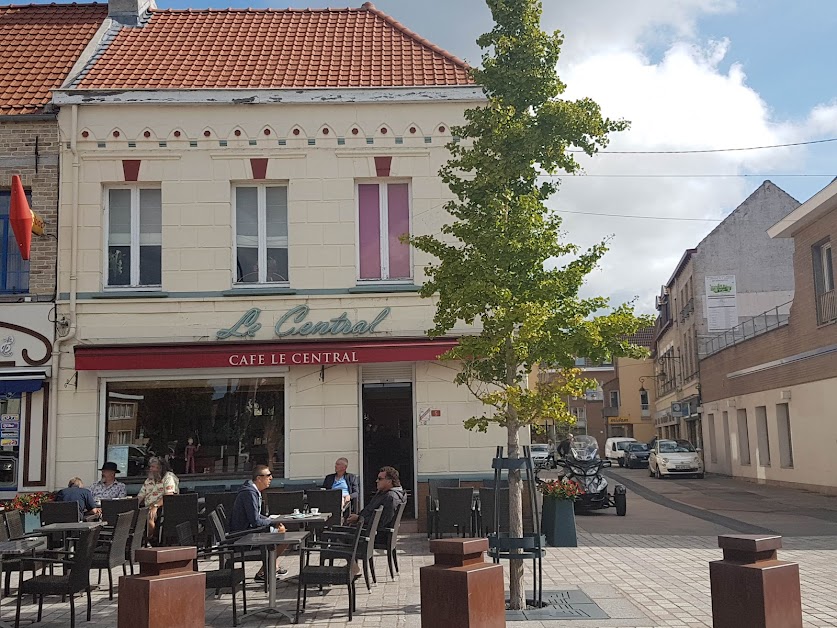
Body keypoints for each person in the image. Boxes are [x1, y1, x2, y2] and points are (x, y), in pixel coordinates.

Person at [229, 464, 288, 581]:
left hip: (245, 532)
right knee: (283, 536)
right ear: (259, 478)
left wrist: (271, 520)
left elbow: (255, 516)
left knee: (281, 530)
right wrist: (271, 522)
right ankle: (266, 571)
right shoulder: (249, 493)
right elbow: (255, 521)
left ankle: (268, 569)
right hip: (242, 537)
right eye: (268, 475)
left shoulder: (251, 491)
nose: (271, 478)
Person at [136, 456, 179, 539]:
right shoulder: (149, 480)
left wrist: (155, 506)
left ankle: (149, 539)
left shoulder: (168, 477)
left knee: (150, 515)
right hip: (146, 507)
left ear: (160, 468)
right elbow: (140, 496)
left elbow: (169, 495)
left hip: (163, 508)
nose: (150, 469)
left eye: (153, 467)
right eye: (150, 467)